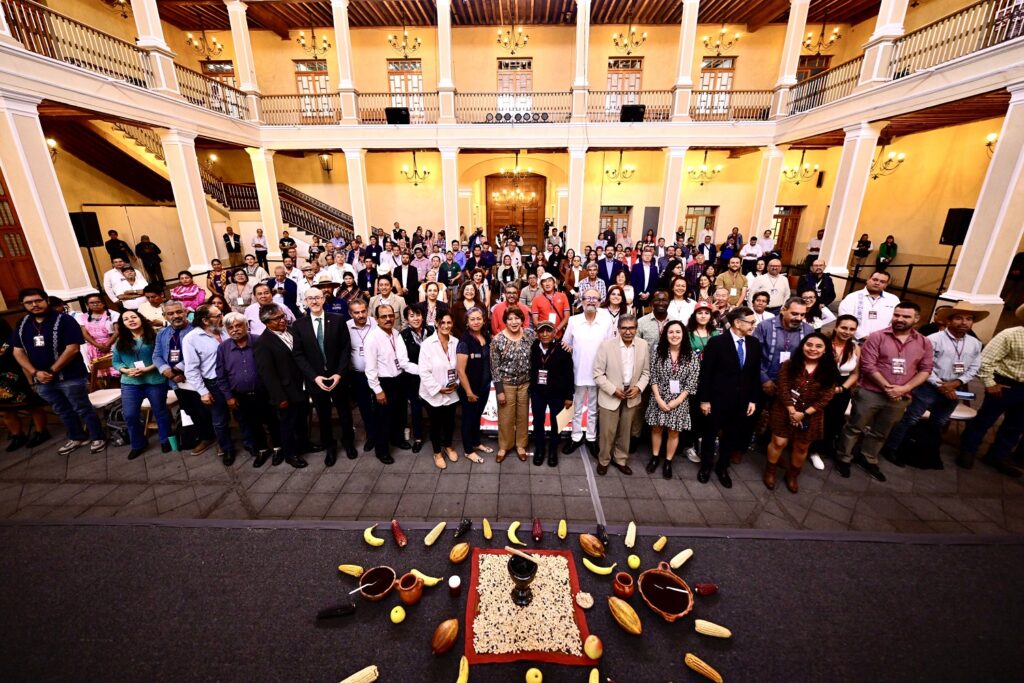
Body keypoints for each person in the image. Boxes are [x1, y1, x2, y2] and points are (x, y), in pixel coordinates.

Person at [835, 301, 933, 482]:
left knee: (882, 431)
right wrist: (888, 387)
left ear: (916, 319)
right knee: (854, 426)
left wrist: (904, 388)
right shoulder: (877, 337)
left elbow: (926, 369)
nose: (900, 319)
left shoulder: (924, 342)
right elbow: (868, 365)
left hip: (901, 396)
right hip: (870, 392)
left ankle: (868, 458)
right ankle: (844, 457)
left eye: (906, 316)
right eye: (897, 315)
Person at [881, 302, 985, 469]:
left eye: (968, 319)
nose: (964, 322)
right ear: (949, 321)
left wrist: (956, 383)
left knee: (939, 422)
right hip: (928, 386)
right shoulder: (932, 340)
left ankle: (925, 451)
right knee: (911, 418)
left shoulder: (975, 343)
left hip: (953, 388)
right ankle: (892, 448)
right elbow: (922, 366)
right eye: (958, 318)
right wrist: (941, 385)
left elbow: (974, 367)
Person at [10, 289, 106, 456]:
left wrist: (51, 370)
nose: (34, 305)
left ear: (46, 300)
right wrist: (35, 373)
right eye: (29, 303)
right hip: (42, 379)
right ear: (23, 305)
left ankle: (98, 437)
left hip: (70, 376)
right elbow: (17, 352)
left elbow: (73, 349)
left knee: (82, 407)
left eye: (38, 301)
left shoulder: (64, 320)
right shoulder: (23, 324)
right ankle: (77, 437)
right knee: (61, 409)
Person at [763, 332, 841, 493]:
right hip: (784, 409)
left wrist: (803, 414)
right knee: (778, 442)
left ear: (825, 350)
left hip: (811, 414)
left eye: (818, 346)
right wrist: (792, 411)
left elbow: (827, 396)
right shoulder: (789, 364)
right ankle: (770, 471)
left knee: (802, 447)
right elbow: (783, 388)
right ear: (802, 346)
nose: (813, 349)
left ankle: (792, 475)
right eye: (809, 345)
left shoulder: (829, 370)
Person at [697, 307, 763, 488]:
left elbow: (754, 375)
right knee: (710, 435)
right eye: (750, 322)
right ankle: (706, 467)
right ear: (737, 323)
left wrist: (752, 399)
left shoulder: (754, 344)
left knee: (731, 436)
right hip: (717, 401)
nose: (753, 326)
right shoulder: (717, 343)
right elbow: (706, 374)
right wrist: (704, 400)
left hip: (741, 402)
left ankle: (722, 467)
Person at [957, 303, 1024, 476]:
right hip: (1005, 384)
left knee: (1015, 426)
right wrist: (990, 383)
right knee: (985, 420)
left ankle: (997, 456)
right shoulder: (1010, 334)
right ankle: (967, 450)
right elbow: (985, 361)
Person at [293, 289, 358, 464]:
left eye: (317, 298)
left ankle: (348, 442)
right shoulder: (299, 325)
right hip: (316, 379)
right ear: (305, 301)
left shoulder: (337, 320)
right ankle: (330, 446)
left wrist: (339, 373)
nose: (314, 301)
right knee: (323, 415)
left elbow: (346, 349)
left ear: (323, 299)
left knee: (345, 412)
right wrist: (314, 377)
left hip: (338, 377)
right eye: (310, 298)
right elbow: (298, 355)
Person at [216, 312, 280, 467]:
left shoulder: (261, 341)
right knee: (252, 424)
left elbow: (276, 367)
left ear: (247, 326)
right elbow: (221, 374)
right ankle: (262, 450)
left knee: (273, 422)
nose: (235, 330)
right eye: (230, 327)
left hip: (265, 393)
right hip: (241, 396)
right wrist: (228, 396)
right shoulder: (223, 348)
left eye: (238, 326)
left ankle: (279, 448)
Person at [252, 304, 310, 469]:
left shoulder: (291, 331)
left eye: (283, 316)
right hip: (285, 392)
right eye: (277, 318)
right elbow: (267, 375)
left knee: (301, 419)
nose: (282, 320)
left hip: (302, 386)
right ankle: (290, 454)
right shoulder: (263, 343)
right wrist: (280, 398)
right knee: (288, 425)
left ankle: (305, 444)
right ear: (266, 322)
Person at [593, 315, 650, 476]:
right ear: (618, 329)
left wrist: (638, 388)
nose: (628, 332)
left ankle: (621, 459)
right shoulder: (606, 346)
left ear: (636, 329)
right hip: (611, 394)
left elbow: (646, 373)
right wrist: (613, 390)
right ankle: (604, 460)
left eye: (631, 328)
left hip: (632, 395)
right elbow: (598, 373)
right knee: (607, 432)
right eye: (624, 328)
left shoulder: (643, 345)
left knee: (626, 431)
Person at [112, 310, 171, 460]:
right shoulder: (121, 341)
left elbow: (164, 357)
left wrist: (148, 368)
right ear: (122, 324)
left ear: (141, 318)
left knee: (160, 411)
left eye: (134, 317)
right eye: (126, 319)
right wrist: (125, 370)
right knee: (130, 415)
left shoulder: (155, 337)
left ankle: (165, 440)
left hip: (154, 380)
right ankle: (138, 444)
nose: (131, 320)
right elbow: (116, 361)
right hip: (130, 382)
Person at [644, 320, 699, 480]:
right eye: (671, 332)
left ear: (683, 334)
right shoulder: (658, 352)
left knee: (674, 432)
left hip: (680, 400)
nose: (674, 335)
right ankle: (655, 457)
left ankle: (668, 461)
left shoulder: (691, 356)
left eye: (678, 332)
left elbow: (692, 382)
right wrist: (658, 399)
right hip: (659, 397)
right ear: (665, 334)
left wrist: (677, 401)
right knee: (657, 428)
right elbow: (652, 377)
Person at [182, 304, 236, 465]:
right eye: (218, 315)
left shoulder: (225, 331)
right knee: (220, 419)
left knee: (243, 413)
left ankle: (251, 444)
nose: (222, 318)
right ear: (205, 320)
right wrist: (203, 392)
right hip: (214, 383)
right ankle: (227, 449)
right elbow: (191, 369)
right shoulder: (191, 339)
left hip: (233, 379)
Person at [562, 289, 613, 454]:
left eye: (594, 298)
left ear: (599, 302)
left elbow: (610, 347)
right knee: (576, 408)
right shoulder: (573, 320)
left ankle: (591, 438)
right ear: (582, 301)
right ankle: (575, 437)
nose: (591, 301)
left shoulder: (606, 322)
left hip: (598, 374)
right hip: (577, 372)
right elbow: (565, 343)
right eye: (587, 298)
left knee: (593, 409)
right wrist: (569, 347)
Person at [811, 314, 861, 463]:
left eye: (852, 329)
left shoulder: (855, 348)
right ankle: (810, 448)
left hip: (842, 387)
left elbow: (855, 373)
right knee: (816, 417)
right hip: (820, 384)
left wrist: (841, 389)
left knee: (833, 419)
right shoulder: (824, 343)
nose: (847, 331)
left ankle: (821, 448)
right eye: (844, 327)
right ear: (836, 327)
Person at [491, 307, 536, 463]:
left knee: (523, 416)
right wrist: (499, 390)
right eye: (510, 319)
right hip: (506, 385)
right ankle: (504, 446)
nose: (514, 322)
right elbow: (494, 367)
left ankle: (521, 445)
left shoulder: (530, 335)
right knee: (506, 417)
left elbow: (543, 346)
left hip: (525, 384)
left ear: (522, 320)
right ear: (505, 321)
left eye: (517, 318)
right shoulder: (498, 340)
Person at [416, 311, 460, 469]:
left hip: (451, 390)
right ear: (436, 323)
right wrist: (438, 389)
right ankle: (437, 452)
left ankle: (448, 446)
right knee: (436, 424)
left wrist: (457, 383)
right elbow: (424, 371)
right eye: (443, 323)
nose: (446, 326)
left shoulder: (456, 342)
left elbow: (460, 367)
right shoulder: (427, 344)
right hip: (432, 393)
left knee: (449, 422)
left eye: (449, 323)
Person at [0, 315, 51, 451]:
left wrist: (31, 381)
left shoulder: (12, 341)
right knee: (5, 412)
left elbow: (23, 360)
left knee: (32, 406)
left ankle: (41, 432)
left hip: (19, 379)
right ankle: (17, 435)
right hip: (1, 385)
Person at [527, 319, 573, 468]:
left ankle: (553, 449)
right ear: (537, 334)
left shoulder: (563, 350)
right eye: (542, 331)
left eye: (548, 331)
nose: (545, 334)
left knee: (556, 423)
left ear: (554, 333)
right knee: (538, 421)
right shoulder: (533, 347)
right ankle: (540, 449)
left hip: (557, 394)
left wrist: (568, 396)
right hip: (538, 392)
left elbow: (569, 375)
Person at [456, 308, 492, 464]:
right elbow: (460, 370)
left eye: (479, 318)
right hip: (470, 389)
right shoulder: (464, 341)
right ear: (467, 322)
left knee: (477, 416)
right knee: (468, 418)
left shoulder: (486, 336)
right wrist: (469, 392)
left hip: (484, 386)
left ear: (483, 320)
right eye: (472, 319)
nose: (476, 322)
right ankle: (468, 450)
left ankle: (476, 443)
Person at [399, 305, 432, 454]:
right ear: (407, 319)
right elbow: (403, 362)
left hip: (432, 377)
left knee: (433, 407)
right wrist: (423, 371)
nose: (416, 318)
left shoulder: (432, 331)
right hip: (413, 379)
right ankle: (418, 438)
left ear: (423, 316)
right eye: (411, 316)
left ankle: (437, 434)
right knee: (416, 408)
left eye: (418, 315)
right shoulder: (403, 335)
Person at [837, 270, 899, 340]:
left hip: (882, 341)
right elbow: (844, 318)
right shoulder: (852, 297)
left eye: (882, 282)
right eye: (875, 280)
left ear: (886, 285)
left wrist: (883, 338)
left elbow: (896, 321)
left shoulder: (893, 299)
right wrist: (863, 336)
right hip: (855, 341)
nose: (877, 283)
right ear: (868, 280)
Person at [74, 293, 120, 380]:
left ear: (103, 303)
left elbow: (117, 331)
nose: (95, 304)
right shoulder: (82, 317)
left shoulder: (113, 314)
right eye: (92, 303)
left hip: (112, 345)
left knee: (116, 372)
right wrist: (98, 345)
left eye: (98, 302)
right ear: (87, 305)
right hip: (94, 347)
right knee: (101, 376)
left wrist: (107, 345)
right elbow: (84, 333)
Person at [531, 273, 571, 339]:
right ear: (541, 285)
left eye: (549, 280)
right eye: (544, 281)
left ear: (554, 283)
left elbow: (566, 317)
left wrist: (556, 330)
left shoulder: (563, 296)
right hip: (544, 335)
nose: (547, 284)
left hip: (560, 334)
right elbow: (535, 321)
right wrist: (546, 332)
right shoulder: (536, 299)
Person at [631, 246, 659, 313]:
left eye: (649, 255)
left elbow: (654, 283)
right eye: (645, 255)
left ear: (652, 257)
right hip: (637, 296)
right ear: (642, 256)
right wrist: (640, 293)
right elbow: (633, 281)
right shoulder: (636, 267)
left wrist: (648, 293)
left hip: (649, 297)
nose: (647, 257)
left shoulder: (654, 268)